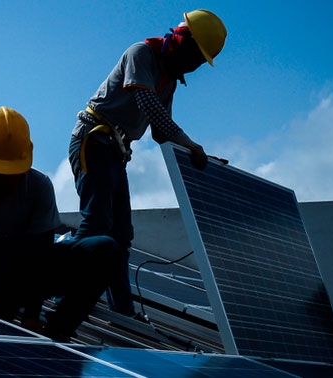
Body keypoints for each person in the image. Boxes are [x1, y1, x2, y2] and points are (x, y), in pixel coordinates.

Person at [68, 10, 228, 316]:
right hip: (93, 140)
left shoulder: (168, 79)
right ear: (183, 43)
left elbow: (160, 130)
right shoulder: (141, 53)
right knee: (96, 224)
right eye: (195, 58)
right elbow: (148, 105)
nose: (193, 68)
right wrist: (190, 143)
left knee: (121, 236)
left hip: (116, 151)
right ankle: (65, 293)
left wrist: (197, 155)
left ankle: (122, 312)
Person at [0, 106, 121, 341]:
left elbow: (42, 257)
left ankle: (58, 332)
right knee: (1, 250)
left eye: (12, 174)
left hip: (24, 275)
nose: (4, 182)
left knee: (104, 249)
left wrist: (31, 316)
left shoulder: (39, 186)